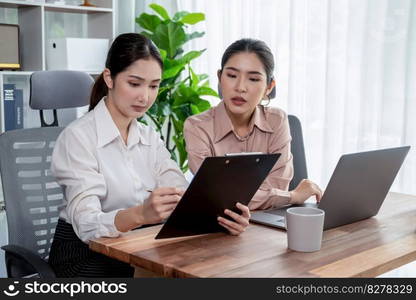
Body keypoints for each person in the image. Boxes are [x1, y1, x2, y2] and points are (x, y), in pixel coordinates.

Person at [48, 33, 250, 278]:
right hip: (86, 255)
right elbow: (87, 224)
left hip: (138, 244)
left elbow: (180, 192)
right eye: (135, 84)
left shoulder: (148, 136)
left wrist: (223, 216)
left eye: (153, 85)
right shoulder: (78, 138)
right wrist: (140, 214)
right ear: (109, 78)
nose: (145, 96)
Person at [184, 38, 323, 211]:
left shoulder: (277, 120)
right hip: (219, 227)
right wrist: (292, 196)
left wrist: (265, 195)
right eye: (232, 76)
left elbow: (278, 187)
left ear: (269, 87)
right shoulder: (197, 127)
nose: (240, 87)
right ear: (220, 78)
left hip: (266, 226)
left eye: (253, 79)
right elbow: (218, 196)